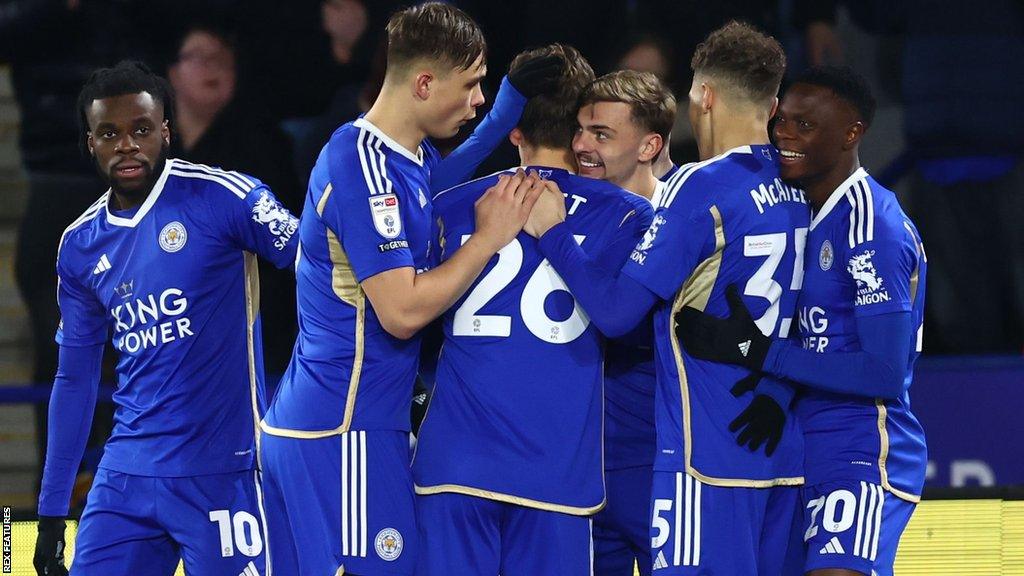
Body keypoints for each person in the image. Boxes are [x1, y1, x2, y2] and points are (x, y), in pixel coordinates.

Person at [257, 4, 547, 575]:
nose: (478, 100)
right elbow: (402, 310)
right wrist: (489, 237)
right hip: (341, 431)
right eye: (471, 85)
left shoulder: (402, 159)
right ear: (423, 83)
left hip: (346, 424)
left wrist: (513, 96)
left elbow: (438, 178)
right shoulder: (360, 164)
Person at [524, 21, 808, 574]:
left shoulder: (697, 189)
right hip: (784, 450)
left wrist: (554, 233)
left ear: (702, 95)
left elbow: (615, 312)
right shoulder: (802, 184)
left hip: (706, 456)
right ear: (773, 104)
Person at [32, 60, 299, 576]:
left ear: (166, 133)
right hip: (125, 480)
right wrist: (49, 514)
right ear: (91, 143)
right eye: (109, 133)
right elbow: (75, 379)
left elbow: (319, 267)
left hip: (226, 472)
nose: (126, 145)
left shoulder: (226, 196)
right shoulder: (79, 246)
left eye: (141, 129)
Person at [412, 43, 653, 576]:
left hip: (454, 464)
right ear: (579, 130)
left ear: (514, 131)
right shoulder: (630, 217)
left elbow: (405, 194)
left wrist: (496, 119)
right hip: (555, 475)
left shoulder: (448, 204)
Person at [676, 65, 927, 576]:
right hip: (798, 440)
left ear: (851, 134)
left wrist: (761, 354)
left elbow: (882, 370)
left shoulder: (870, 225)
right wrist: (775, 393)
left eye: (805, 126)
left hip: (861, 443)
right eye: (783, 122)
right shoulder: (798, 209)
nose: (785, 136)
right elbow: (808, 323)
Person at [570, 69, 676, 576]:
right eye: (581, 130)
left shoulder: (686, 222)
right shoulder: (564, 210)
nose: (582, 145)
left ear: (648, 145)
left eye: (602, 134)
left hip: (660, 465)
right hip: (581, 467)